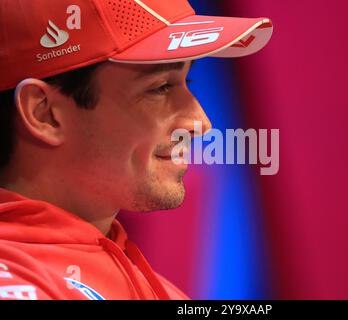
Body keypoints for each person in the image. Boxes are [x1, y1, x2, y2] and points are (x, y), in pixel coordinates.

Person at [0, 0, 273, 300]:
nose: (200, 122)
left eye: (187, 80)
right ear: (45, 114)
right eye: (160, 88)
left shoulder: (161, 290)